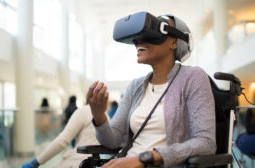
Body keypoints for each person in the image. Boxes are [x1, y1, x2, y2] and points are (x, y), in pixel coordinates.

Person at [86, 13, 216, 168]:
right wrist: (99, 115)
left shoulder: (193, 77)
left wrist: (144, 158)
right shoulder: (135, 86)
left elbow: (206, 143)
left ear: (174, 42)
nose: (138, 41)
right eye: (138, 36)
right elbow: (112, 142)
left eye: (152, 31)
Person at [22, 105, 108, 168]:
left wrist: (36, 162)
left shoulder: (84, 111)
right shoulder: (106, 116)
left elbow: (62, 141)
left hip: (77, 162)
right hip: (95, 163)